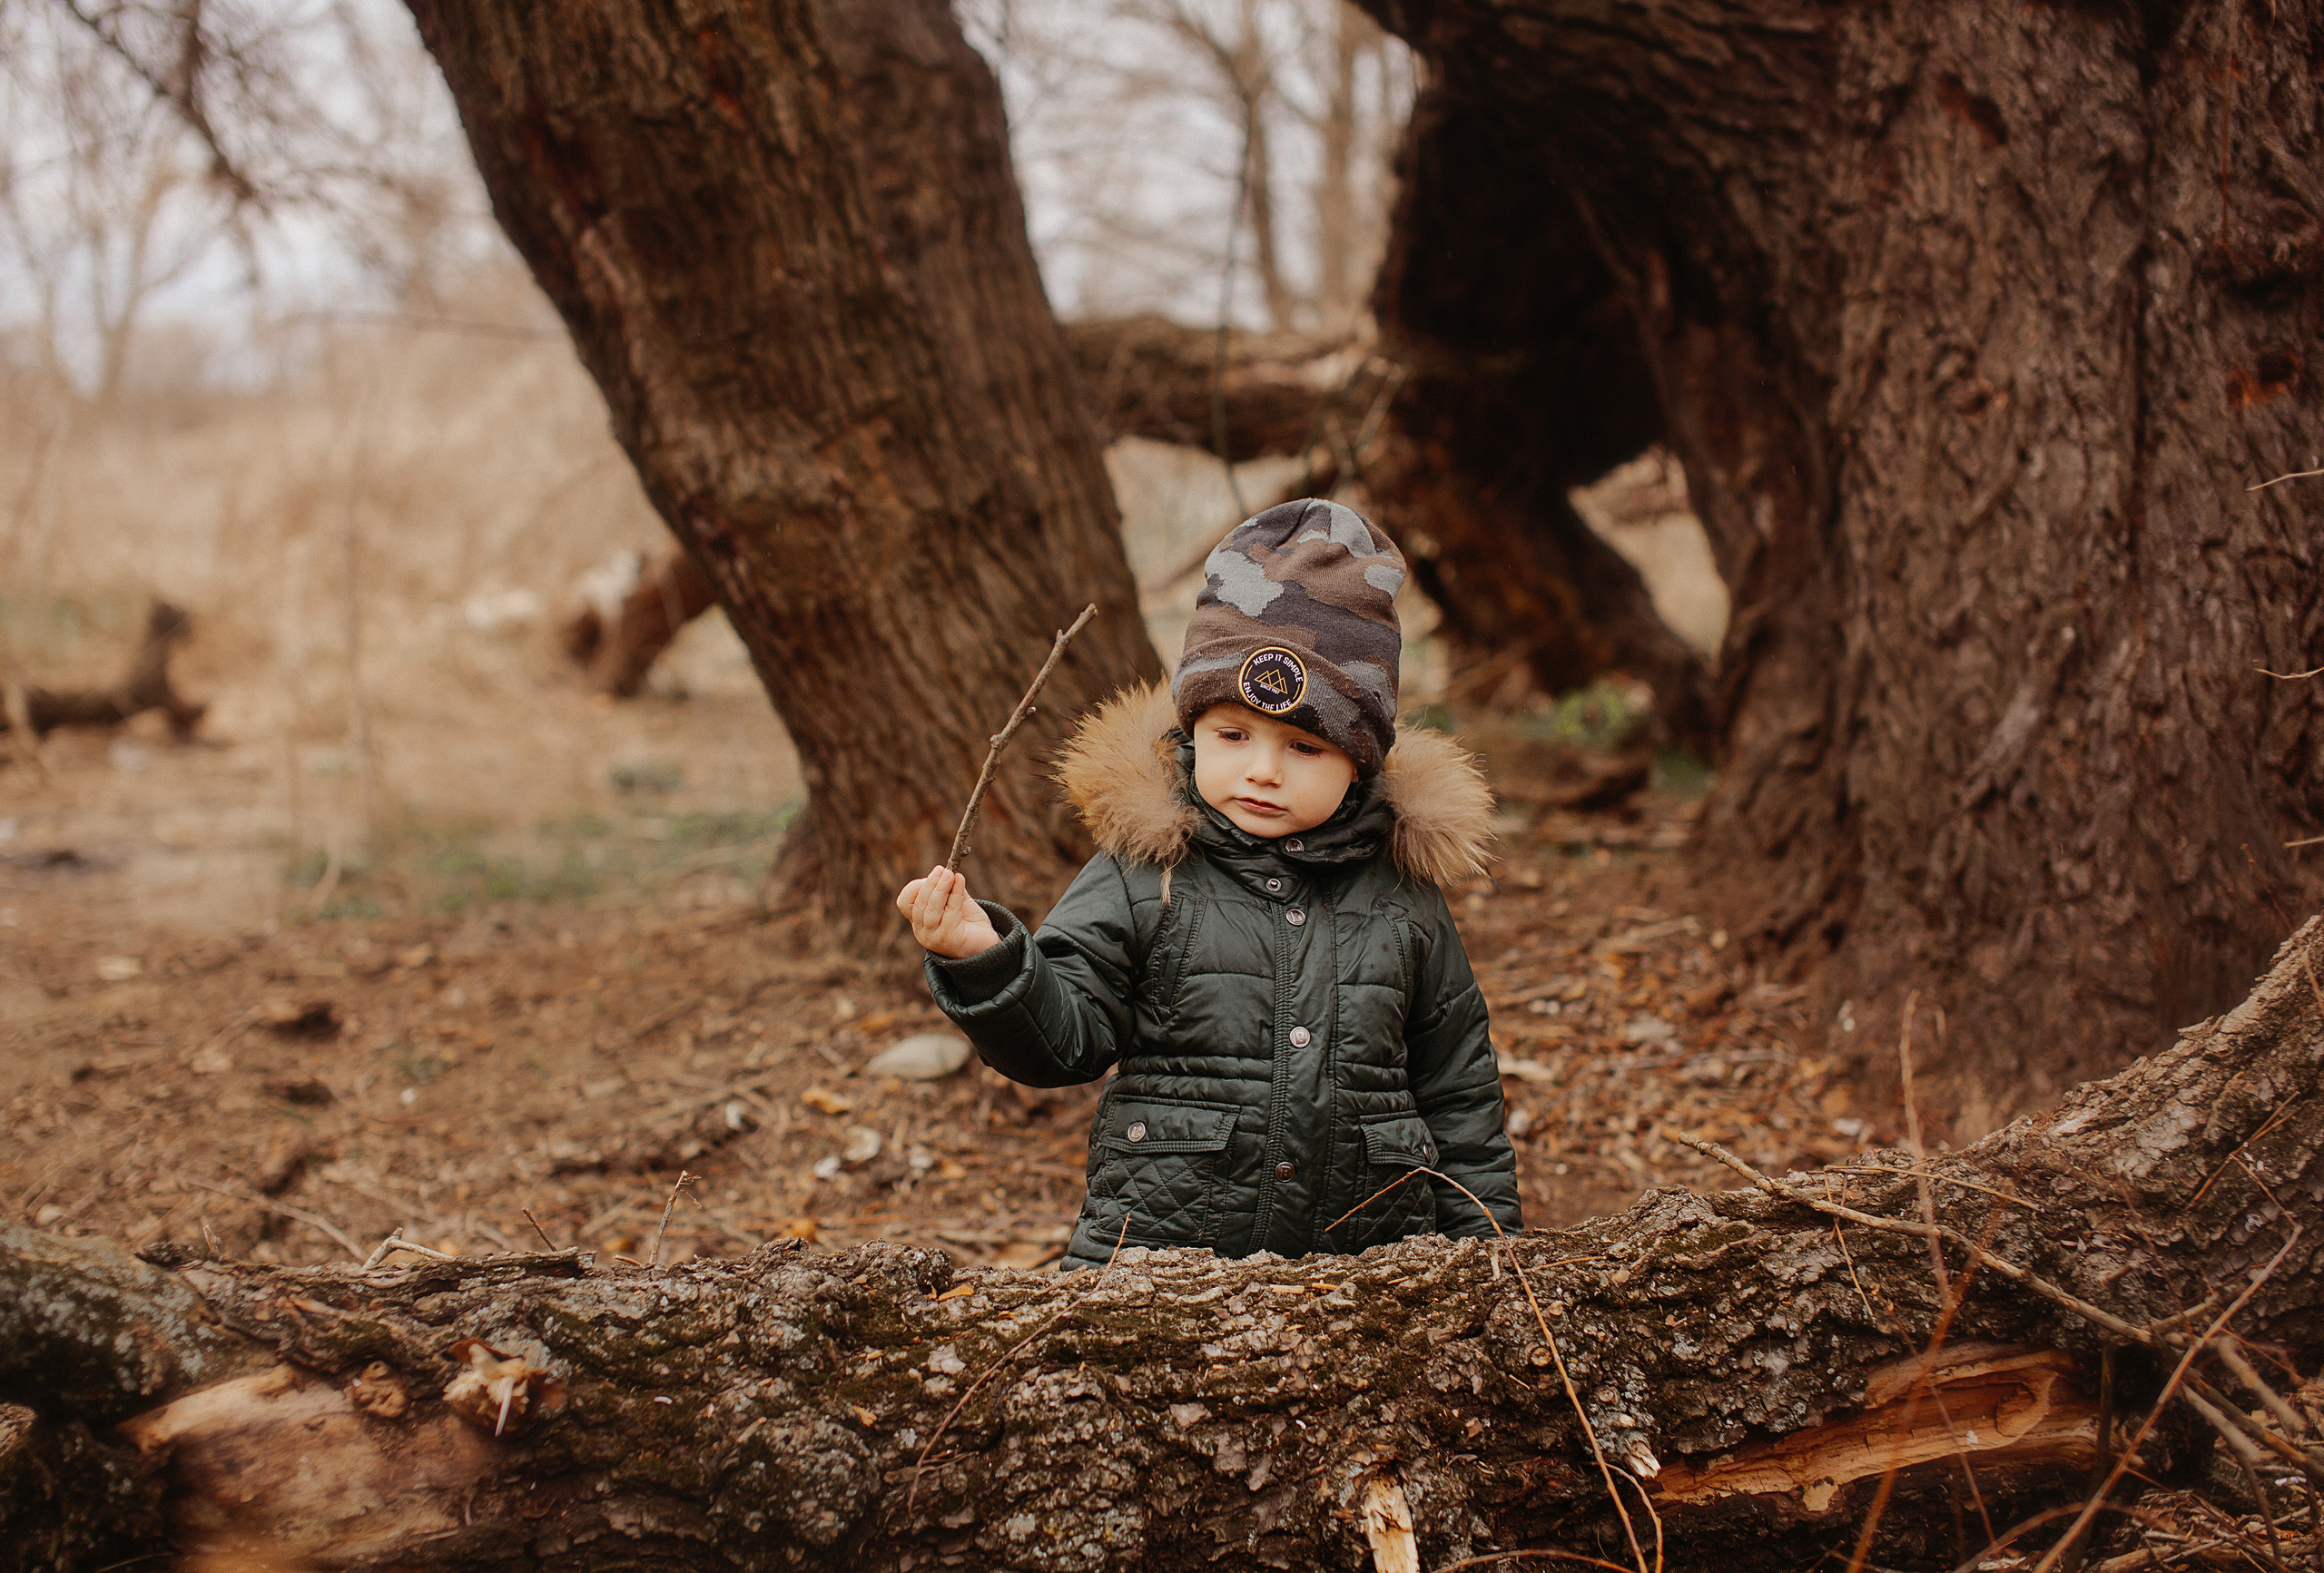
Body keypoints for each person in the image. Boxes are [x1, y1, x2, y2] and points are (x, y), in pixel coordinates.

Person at [897, 498, 1518, 1270]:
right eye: (1233, 735)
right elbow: (1065, 1043)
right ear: (1191, 728)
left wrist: (1493, 1260)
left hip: (1368, 1270)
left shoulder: (1403, 895)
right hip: (1158, 1262)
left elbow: (1460, 1092)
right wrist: (985, 960)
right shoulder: (1146, 869)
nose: (1262, 770)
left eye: (1303, 747)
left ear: (1361, 759)